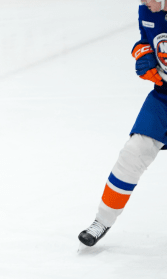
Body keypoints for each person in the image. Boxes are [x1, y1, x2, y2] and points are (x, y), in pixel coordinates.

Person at [78, 0, 167, 246]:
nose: (146, 2)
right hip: (163, 99)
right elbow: (144, 40)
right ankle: (102, 221)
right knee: (132, 153)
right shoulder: (148, 9)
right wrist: (143, 54)